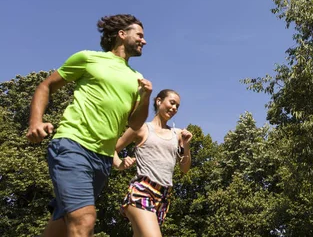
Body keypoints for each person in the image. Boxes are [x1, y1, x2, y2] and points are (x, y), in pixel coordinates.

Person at [26, 14, 152, 237]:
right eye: (140, 35)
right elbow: (46, 86)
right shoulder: (88, 58)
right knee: (84, 220)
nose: (144, 40)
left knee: (62, 225)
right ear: (122, 34)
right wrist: (36, 121)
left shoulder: (137, 78)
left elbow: (134, 123)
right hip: (73, 145)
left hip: (102, 159)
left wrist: (146, 97)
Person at [113, 89, 193, 236]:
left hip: (163, 197)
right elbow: (111, 150)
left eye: (178, 106)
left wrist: (186, 145)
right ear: (158, 101)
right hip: (143, 191)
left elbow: (185, 169)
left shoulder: (177, 134)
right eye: (172, 103)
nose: (174, 108)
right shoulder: (141, 128)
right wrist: (120, 164)